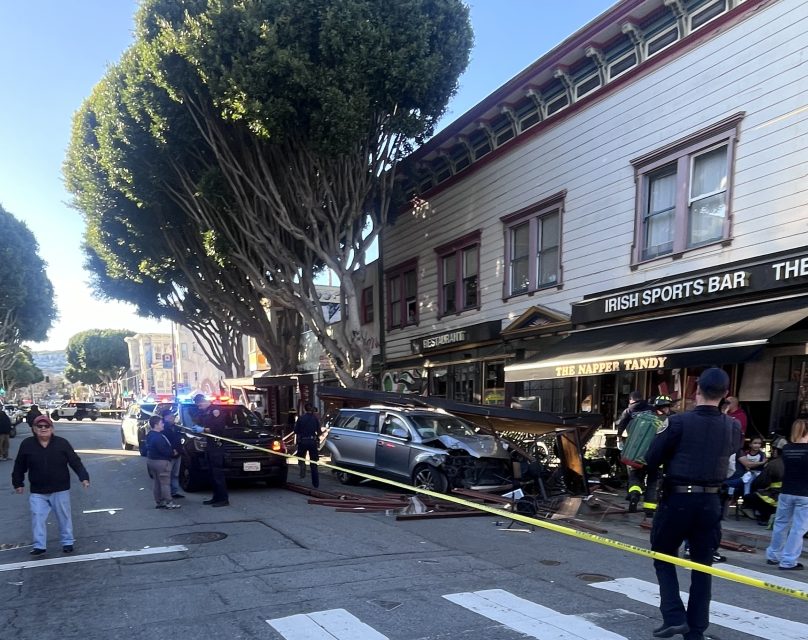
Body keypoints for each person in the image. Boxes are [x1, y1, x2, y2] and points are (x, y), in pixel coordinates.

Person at [644, 368, 740, 640]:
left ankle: (674, 616)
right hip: (711, 502)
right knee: (702, 565)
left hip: (678, 499)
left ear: (696, 391)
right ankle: (695, 630)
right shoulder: (733, 426)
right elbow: (730, 457)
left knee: (663, 556)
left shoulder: (678, 422)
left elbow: (652, 456)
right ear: (725, 395)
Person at [11, 414, 90, 555]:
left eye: (46, 426)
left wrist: (83, 477)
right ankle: (39, 546)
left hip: (60, 488)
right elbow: (19, 465)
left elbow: (75, 461)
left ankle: (67, 542)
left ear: (52, 429)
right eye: (39, 426)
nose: (43, 429)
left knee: (64, 516)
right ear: (34, 429)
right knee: (37, 516)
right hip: (38, 490)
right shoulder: (27, 444)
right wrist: (18, 482)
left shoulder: (62, 443)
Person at [765, 418, 808, 570]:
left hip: (786, 490)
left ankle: (773, 555)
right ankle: (789, 560)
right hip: (805, 493)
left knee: (781, 524)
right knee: (798, 528)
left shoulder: (788, 448)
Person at [622, 395, 673, 513]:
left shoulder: (641, 417)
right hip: (655, 460)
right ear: (665, 408)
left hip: (636, 456)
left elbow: (629, 430)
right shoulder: (667, 421)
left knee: (635, 478)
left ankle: (634, 493)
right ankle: (649, 511)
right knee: (652, 483)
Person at [191, 393, 229, 507]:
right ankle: (216, 497)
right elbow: (198, 420)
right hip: (210, 446)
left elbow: (217, 429)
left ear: (203, 401)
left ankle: (223, 499)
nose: (199, 407)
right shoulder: (205, 412)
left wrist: (203, 429)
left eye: (199, 404)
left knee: (217, 474)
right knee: (212, 474)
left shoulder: (215, 411)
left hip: (217, 446)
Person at [742, 437, 786, 525]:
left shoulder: (773, 464)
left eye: (773, 450)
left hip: (775, 498)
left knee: (750, 496)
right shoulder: (791, 462)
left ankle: (764, 517)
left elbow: (760, 482)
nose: (772, 451)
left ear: (776, 451)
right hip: (788, 497)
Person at [145, 415, 181, 510]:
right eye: (161, 423)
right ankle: (169, 502)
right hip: (161, 462)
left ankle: (159, 501)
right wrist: (173, 452)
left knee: (157, 482)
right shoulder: (158, 437)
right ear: (156, 425)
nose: (163, 424)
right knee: (165, 483)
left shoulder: (150, 434)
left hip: (151, 461)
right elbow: (164, 450)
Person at [294, 402, 321, 488]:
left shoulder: (301, 418)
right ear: (311, 409)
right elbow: (319, 432)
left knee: (301, 458)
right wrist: (316, 436)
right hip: (312, 441)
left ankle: (302, 470)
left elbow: (296, 431)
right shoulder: (315, 419)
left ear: (304, 409)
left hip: (303, 441)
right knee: (314, 463)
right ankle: (315, 483)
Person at [160, 408, 184, 500]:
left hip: (178, 454)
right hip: (168, 456)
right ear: (165, 418)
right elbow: (163, 442)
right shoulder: (163, 428)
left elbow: (179, 440)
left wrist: (179, 450)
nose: (173, 418)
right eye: (170, 417)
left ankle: (174, 492)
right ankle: (167, 494)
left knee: (175, 474)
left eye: (173, 417)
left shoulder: (176, 427)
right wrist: (172, 450)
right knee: (167, 475)